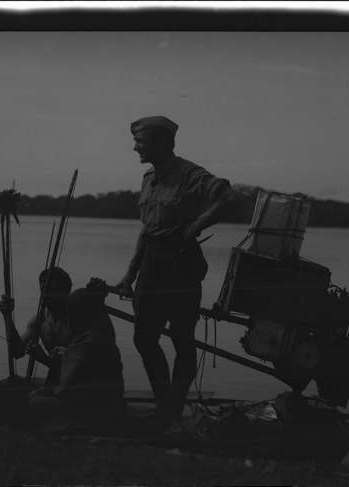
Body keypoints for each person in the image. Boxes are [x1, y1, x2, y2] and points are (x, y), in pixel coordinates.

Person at [114, 116, 240, 428]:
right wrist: (130, 274)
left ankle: (171, 411)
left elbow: (228, 198)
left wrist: (194, 227)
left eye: (140, 142)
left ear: (160, 142)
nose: (134, 148)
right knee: (144, 337)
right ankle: (165, 406)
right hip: (152, 263)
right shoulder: (148, 177)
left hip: (181, 263)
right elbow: (148, 229)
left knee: (183, 339)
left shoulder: (190, 174)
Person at [25, 285, 125, 433]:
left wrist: (49, 363)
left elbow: (65, 389)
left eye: (72, 314)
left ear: (81, 315)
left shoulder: (86, 342)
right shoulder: (102, 334)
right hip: (110, 406)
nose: (70, 320)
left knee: (35, 402)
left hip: (90, 415)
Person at [0, 266, 74, 391]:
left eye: (54, 290)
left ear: (67, 291)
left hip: (75, 386)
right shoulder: (40, 320)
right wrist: (7, 317)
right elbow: (17, 352)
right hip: (53, 383)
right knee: (7, 385)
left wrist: (44, 359)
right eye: (43, 290)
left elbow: (80, 367)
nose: (47, 296)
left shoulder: (78, 320)